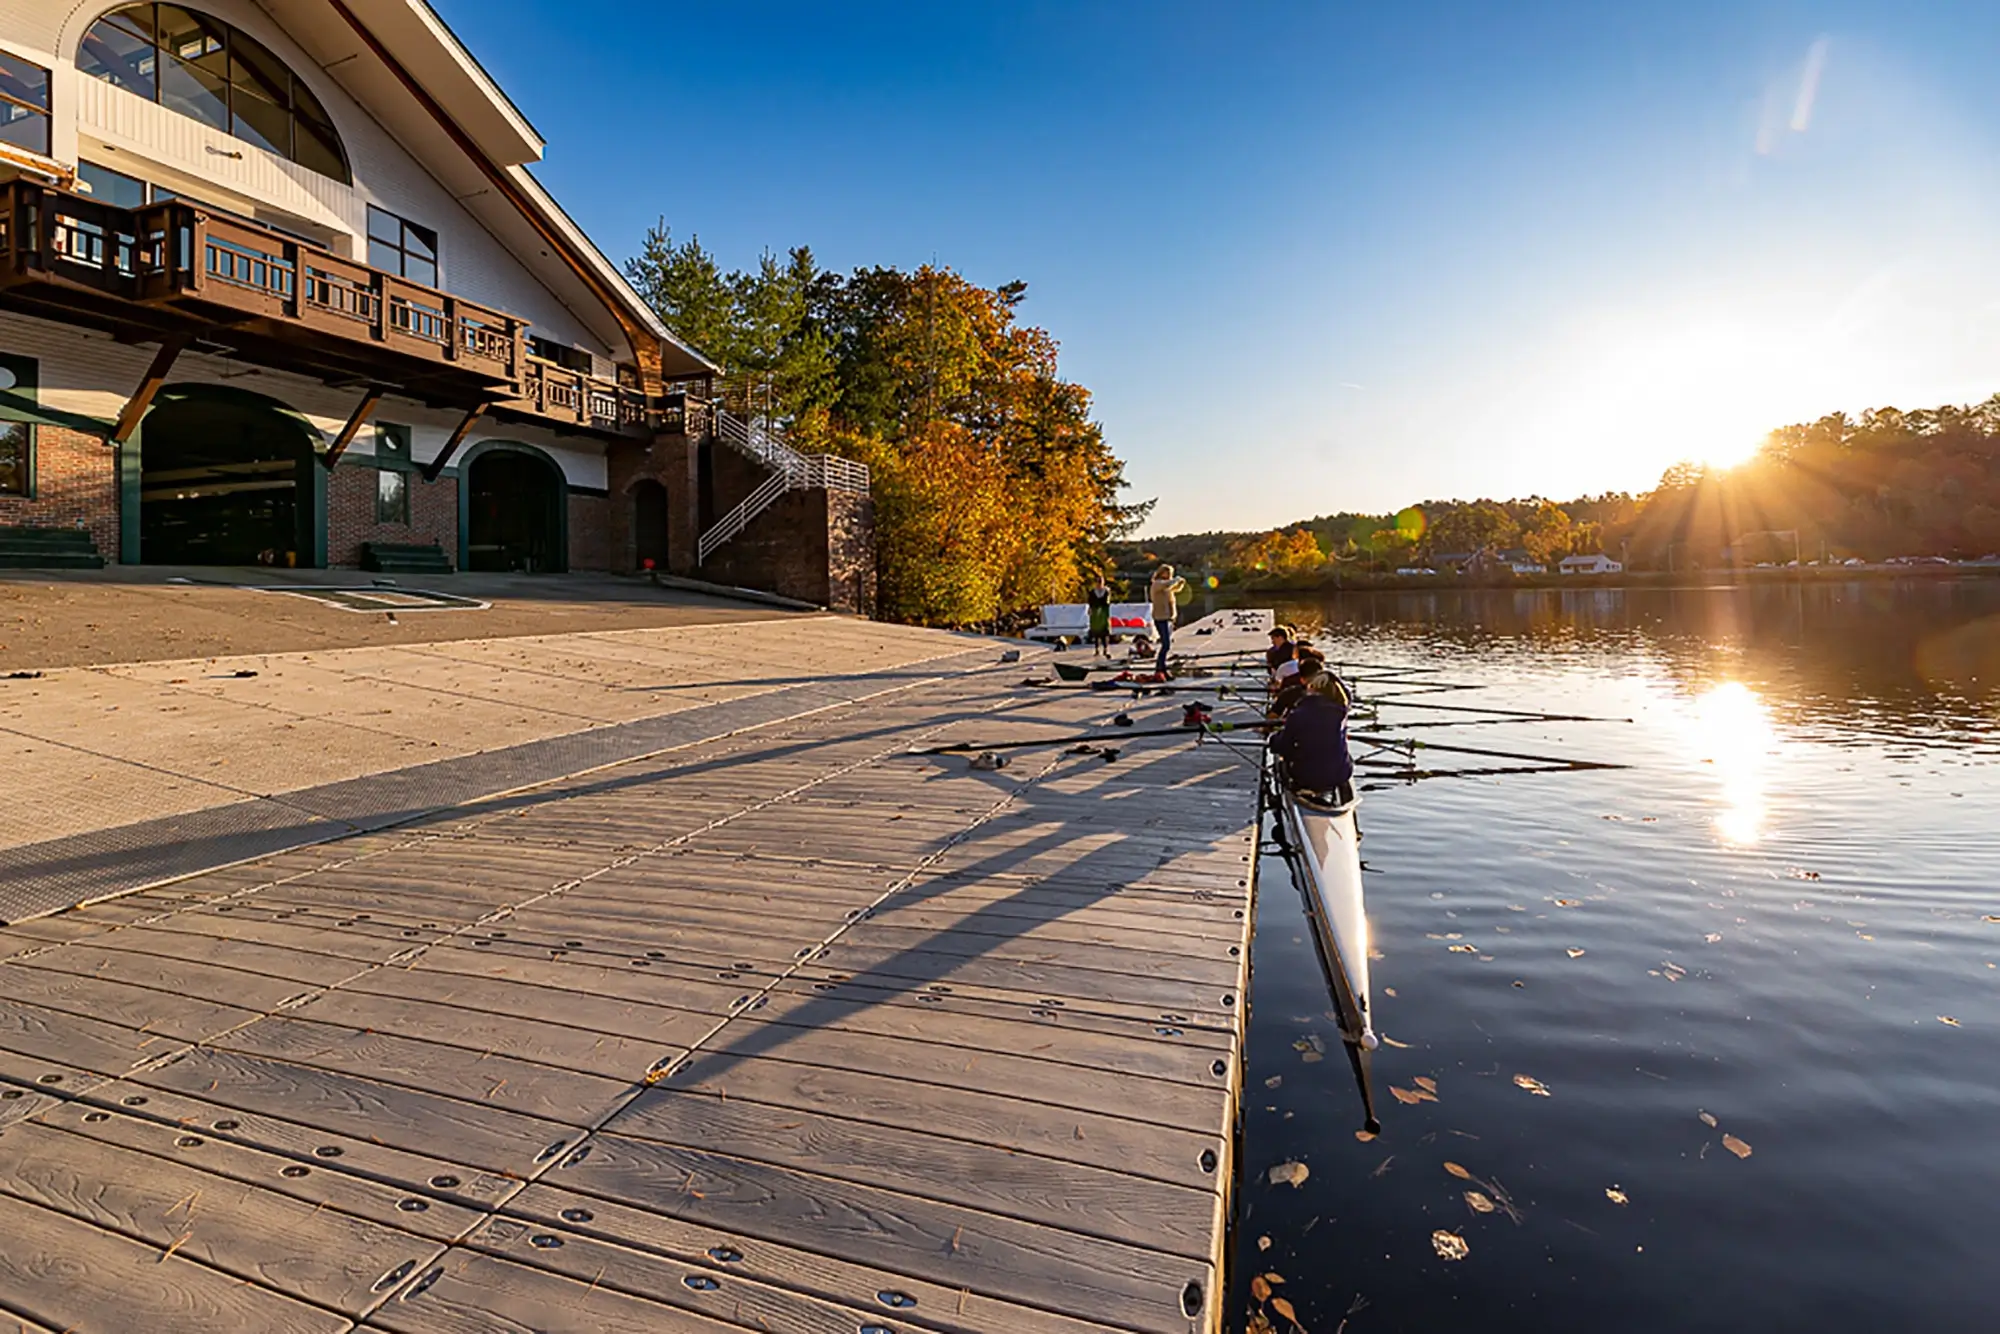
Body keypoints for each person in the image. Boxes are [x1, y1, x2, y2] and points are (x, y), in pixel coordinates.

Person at [1269, 669, 1355, 796]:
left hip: (1306, 775)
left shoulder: (1298, 714)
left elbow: (1284, 746)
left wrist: (1273, 740)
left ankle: (1291, 790)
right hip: (1340, 774)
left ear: (1311, 689)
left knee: (1283, 758)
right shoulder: (1342, 712)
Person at [1149, 564, 1187, 676]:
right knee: (1166, 644)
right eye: (1168, 573)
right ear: (1161, 572)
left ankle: (1161, 668)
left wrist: (1180, 583)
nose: (1170, 575)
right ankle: (1160, 668)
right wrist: (1176, 579)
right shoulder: (1157, 584)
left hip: (1168, 617)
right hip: (1160, 618)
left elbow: (1174, 588)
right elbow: (1167, 584)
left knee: (1167, 644)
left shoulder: (1166, 586)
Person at [1086, 575, 1113, 658]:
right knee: (1096, 631)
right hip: (1095, 613)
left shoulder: (1106, 591)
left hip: (1103, 612)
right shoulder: (1093, 592)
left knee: (1104, 631)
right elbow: (1090, 602)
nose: (1099, 584)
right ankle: (1097, 649)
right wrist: (1090, 609)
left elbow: (1107, 602)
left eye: (1101, 582)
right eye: (1098, 582)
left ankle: (1105, 648)